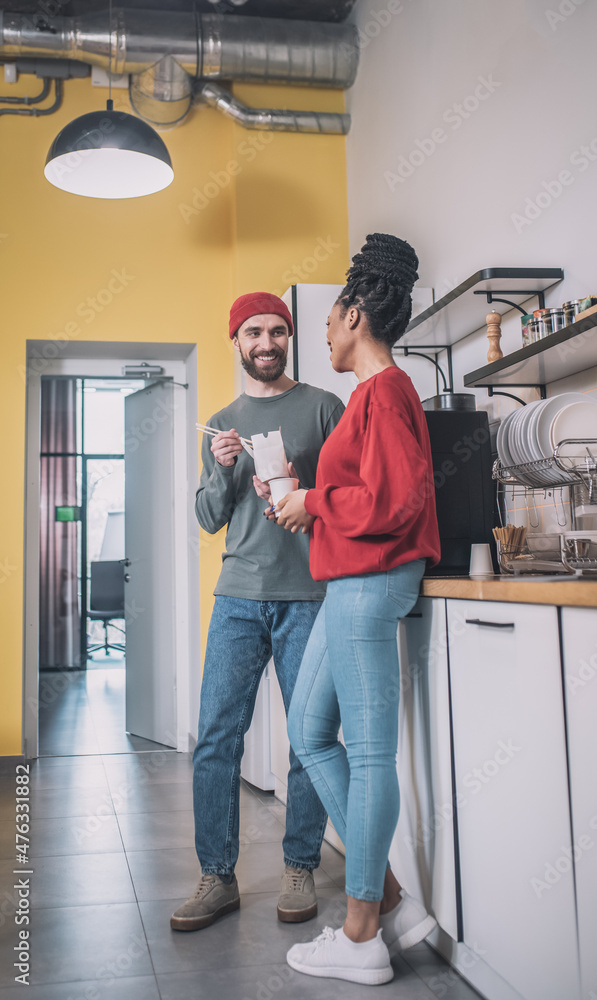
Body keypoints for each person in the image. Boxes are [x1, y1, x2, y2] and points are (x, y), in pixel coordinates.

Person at [269, 234, 441, 985]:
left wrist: (311, 499)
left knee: (366, 753)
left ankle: (363, 929)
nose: (325, 336)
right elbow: (372, 494)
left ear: (355, 314)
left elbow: (397, 501)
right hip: (348, 580)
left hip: (371, 580)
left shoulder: (386, 390)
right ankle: (395, 899)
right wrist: (302, 501)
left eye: (330, 322)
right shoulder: (371, 396)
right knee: (309, 731)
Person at [170, 292, 344, 932]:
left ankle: (299, 862)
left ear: (289, 337)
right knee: (216, 739)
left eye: (276, 330)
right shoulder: (221, 422)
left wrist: (309, 490)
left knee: (309, 739)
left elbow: (354, 493)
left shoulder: (326, 407)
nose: (265, 342)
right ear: (236, 341)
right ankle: (217, 877)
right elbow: (210, 519)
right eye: (252, 332)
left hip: (309, 597)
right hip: (239, 598)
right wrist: (221, 470)